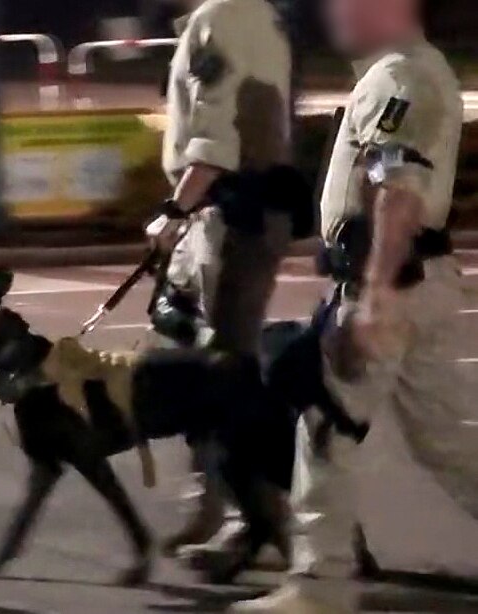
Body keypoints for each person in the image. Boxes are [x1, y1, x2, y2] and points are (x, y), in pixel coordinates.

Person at [233, 0, 477, 612]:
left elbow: (397, 189)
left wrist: (373, 296)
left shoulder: (402, 76)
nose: (334, 11)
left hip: (394, 279)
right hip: (418, 277)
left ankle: (319, 587)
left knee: (326, 424)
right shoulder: (407, 70)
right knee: (442, 439)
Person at [149, 0, 298, 560]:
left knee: (224, 376)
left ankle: (254, 520)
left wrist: (172, 210)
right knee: (200, 364)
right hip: (240, 215)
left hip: (233, 217)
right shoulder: (257, 15)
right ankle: (215, 505)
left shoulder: (222, 17)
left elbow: (216, 142)